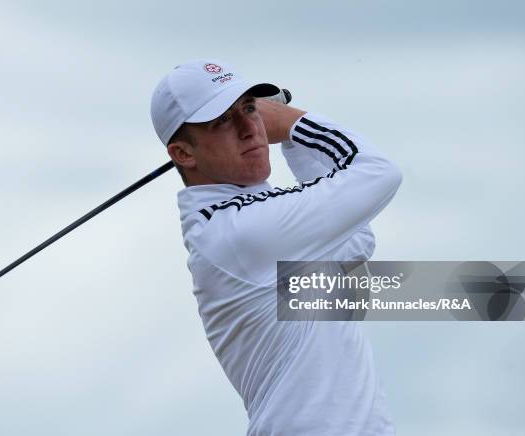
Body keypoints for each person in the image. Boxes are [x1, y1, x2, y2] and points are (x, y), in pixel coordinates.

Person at [150, 59, 402, 435]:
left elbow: (354, 242)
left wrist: (292, 144)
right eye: (222, 121)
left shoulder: (252, 219)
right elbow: (379, 172)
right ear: (184, 154)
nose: (249, 129)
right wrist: (292, 123)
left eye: (249, 110)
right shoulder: (239, 232)